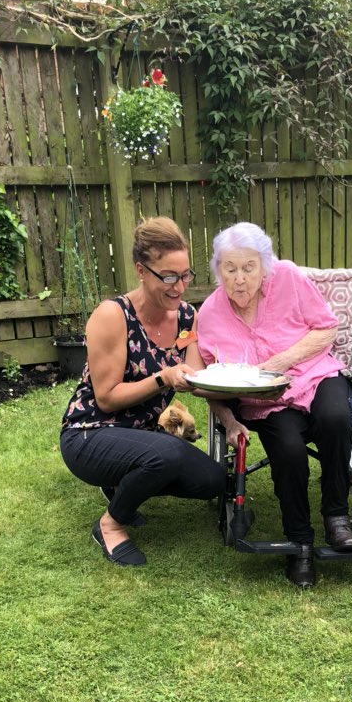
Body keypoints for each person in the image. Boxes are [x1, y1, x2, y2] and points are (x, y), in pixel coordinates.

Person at [197, 222, 352, 588]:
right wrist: (228, 421)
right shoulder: (209, 313)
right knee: (288, 449)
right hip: (266, 402)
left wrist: (278, 363)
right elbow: (211, 382)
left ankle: (337, 518)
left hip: (315, 374)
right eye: (230, 268)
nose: (239, 279)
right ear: (218, 269)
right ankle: (299, 542)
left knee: (335, 420)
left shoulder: (287, 278)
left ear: (264, 265)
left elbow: (325, 329)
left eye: (248, 267)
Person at [60, 217, 225, 566]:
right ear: (141, 269)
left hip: (146, 438)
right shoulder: (112, 315)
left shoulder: (185, 316)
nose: (179, 287)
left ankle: (122, 483)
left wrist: (233, 386)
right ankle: (111, 525)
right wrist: (164, 378)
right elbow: (106, 397)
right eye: (168, 277)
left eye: (185, 276)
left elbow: (194, 376)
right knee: (167, 454)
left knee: (212, 480)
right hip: (90, 433)